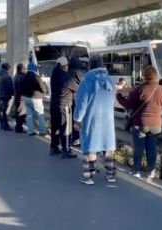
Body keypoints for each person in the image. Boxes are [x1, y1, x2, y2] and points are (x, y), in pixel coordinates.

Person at [117, 65, 162, 178]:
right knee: (151, 148)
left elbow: (128, 105)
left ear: (144, 76)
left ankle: (136, 170)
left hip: (140, 123)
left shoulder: (139, 89)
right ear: (156, 76)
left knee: (139, 148)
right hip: (156, 124)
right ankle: (151, 171)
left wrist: (119, 96)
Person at [74, 55, 117, 185]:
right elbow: (113, 100)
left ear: (89, 66)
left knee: (90, 148)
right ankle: (111, 175)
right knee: (108, 147)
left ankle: (89, 177)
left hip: (92, 119)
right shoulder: (110, 80)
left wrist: (77, 119)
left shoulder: (86, 81)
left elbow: (82, 103)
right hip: (107, 120)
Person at [49, 56, 78, 159]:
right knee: (66, 128)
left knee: (55, 127)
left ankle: (54, 147)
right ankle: (66, 150)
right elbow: (77, 88)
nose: (67, 67)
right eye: (66, 66)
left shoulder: (54, 74)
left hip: (53, 105)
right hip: (64, 105)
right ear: (64, 66)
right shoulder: (66, 77)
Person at [19, 63, 47, 136]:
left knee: (29, 115)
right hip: (36, 98)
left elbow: (20, 88)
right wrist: (43, 94)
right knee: (40, 114)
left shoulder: (23, 77)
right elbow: (42, 87)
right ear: (34, 69)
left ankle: (30, 131)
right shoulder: (36, 77)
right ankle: (42, 131)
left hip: (26, 98)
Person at [69, 56, 84, 146]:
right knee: (77, 119)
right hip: (76, 98)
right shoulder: (77, 72)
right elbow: (82, 83)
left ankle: (71, 137)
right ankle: (76, 138)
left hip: (68, 98)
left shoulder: (68, 71)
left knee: (70, 119)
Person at [0, 63, 14, 131]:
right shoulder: (7, 77)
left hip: (0, 95)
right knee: (5, 111)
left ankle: (2, 124)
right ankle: (6, 126)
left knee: (1, 110)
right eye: (9, 68)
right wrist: (13, 94)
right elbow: (10, 87)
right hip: (6, 96)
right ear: (7, 68)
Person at [13, 63, 27, 133]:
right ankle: (19, 128)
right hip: (21, 98)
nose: (26, 70)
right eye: (25, 69)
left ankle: (18, 127)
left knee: (18, 112)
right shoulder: (21, 77)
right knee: (22, 113)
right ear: (21, 69)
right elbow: (22, 89)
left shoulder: (16, 76)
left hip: (17, 97)